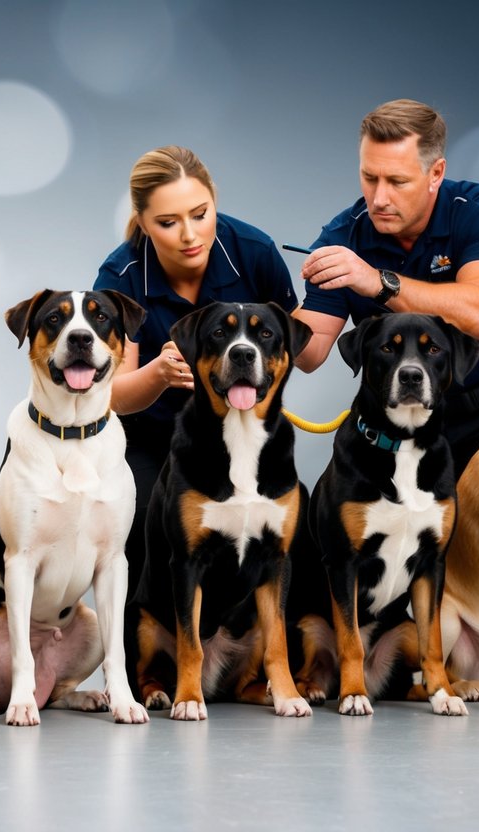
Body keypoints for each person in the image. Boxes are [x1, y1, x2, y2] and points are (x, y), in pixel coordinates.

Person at [93, 145, 298, 589]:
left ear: (214, 202)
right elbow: (110, 396)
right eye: (168, 223)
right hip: (153, 439)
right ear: (143, 222)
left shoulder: (254, 251)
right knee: (144, 524)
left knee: (282, 543)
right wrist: (159, 373)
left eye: (200, 213)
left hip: (247, 435)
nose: (190, 234)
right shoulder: (121, 276)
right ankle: (147, 650)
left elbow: (297, 346)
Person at [292, 99, 479, 476]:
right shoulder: (342, 237)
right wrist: (254, 322)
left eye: (397, 181)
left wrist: (377, 282)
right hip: (392, 427)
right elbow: (311, 349)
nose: (379, 198)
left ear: (436, 173)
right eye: (370, 177)